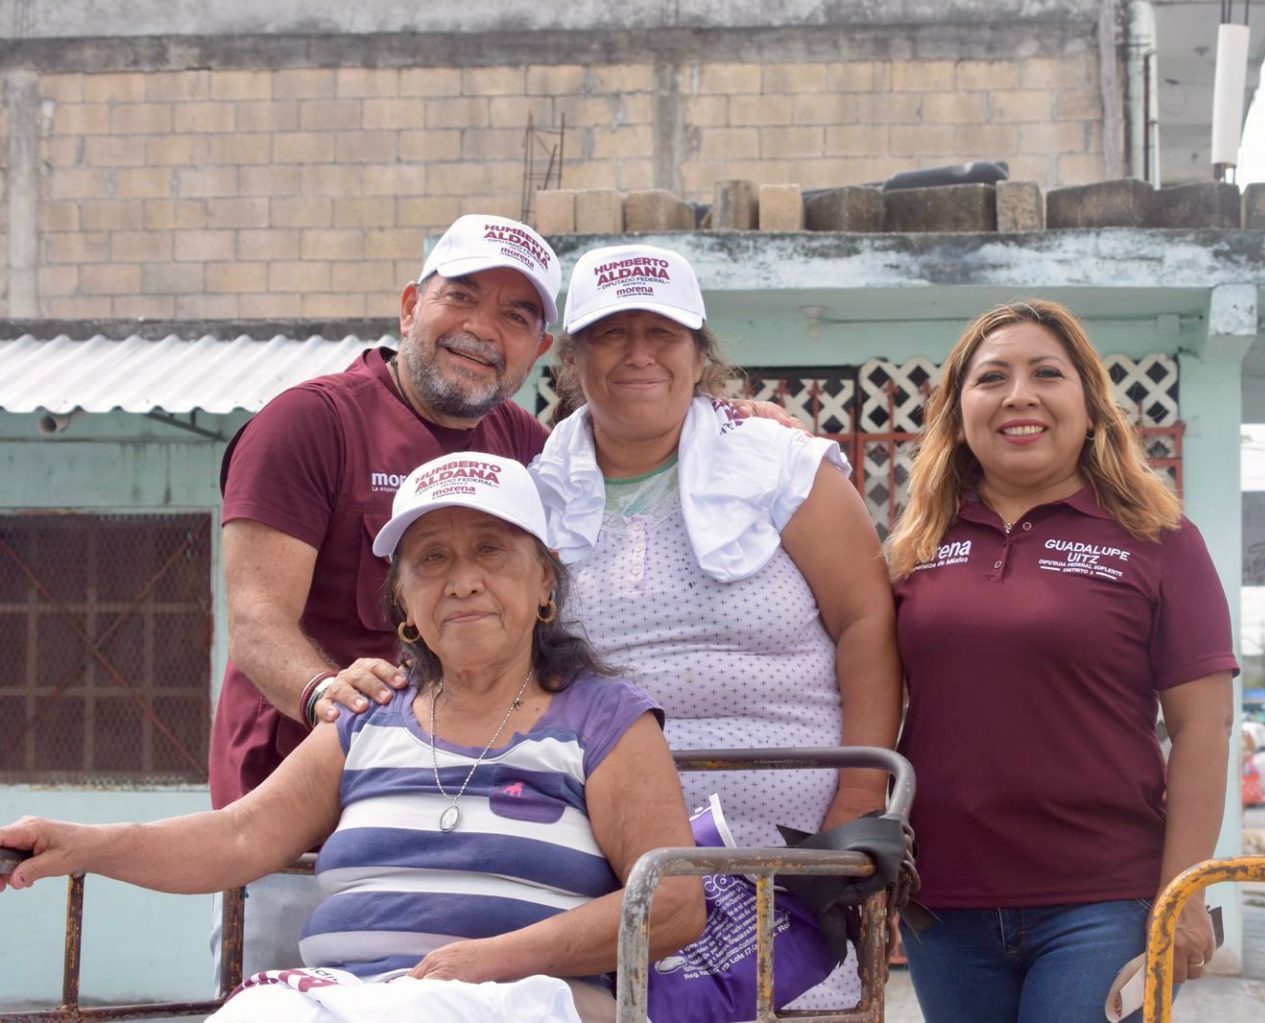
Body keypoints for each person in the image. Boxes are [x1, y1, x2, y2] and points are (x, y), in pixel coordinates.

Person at [1, 454, 705, 1023]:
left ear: (545, 581)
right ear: (402, 602)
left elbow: (673, 902)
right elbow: (241, 837)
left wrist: (489, 958)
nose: (463, 580)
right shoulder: (370, 715)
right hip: (348, 998)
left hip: (526, 998)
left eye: (490, 550)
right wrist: (84, 844)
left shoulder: (604, 720)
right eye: (431, 559)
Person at [528, 243, 903, 1010]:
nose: (639, 355)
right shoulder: (534, 498)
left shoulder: (783, 468)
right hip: (613, 860)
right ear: (572, 360)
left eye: (662, 334)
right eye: (611, 334)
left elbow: (869, 622)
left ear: (700, 356)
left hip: (790, 855)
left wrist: (859, 799)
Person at [210, 213, 562, 973]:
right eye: (461, 297)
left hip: (468, 830)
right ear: (410, 306)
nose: (482, 328)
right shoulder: (310, 423)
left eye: (516, 314)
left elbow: (645, 440)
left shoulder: (535, 451)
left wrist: (735, 415)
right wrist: (324, 693)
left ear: (541, 349)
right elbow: (257, 620)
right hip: (304, 840)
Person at [884, 300, 1238, 1023]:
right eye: (991, 378)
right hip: (943, 904)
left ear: (1090, 406)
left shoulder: (1160, 537)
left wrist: (1187, 893)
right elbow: (873, 705)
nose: (1020, 394)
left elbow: (1204, 730)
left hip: (1102, 899)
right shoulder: (914, 548)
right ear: (959, 411)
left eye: (1047, 372)